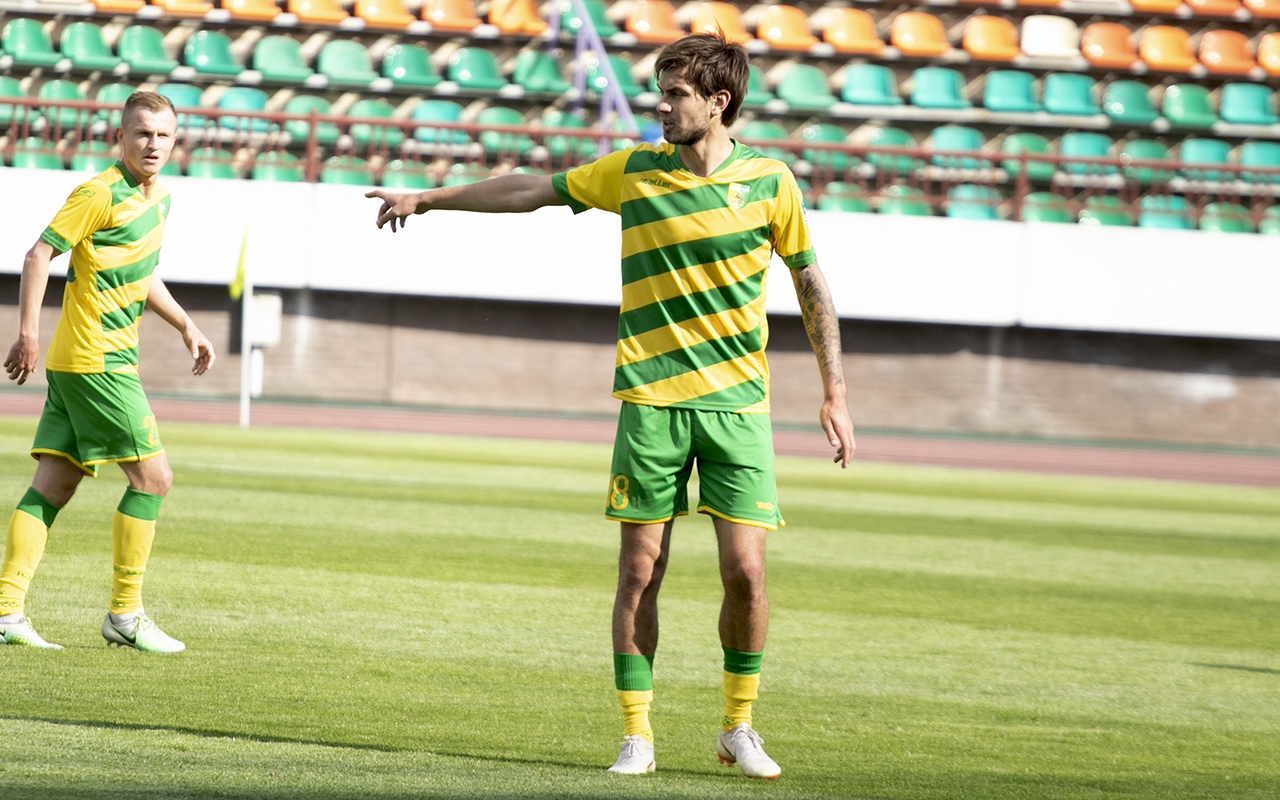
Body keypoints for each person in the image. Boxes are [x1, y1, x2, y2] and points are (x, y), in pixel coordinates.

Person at [365, 32, 854, 779]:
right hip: (650, 402)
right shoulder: (634, 172)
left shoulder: (770, 183)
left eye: (676, 94)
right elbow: (532, 189)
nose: (662, 106)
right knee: (639, 572)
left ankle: (738, 726)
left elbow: (810, 282)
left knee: (747, 574)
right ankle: (637, 734)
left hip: (738, 407)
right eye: (661, 91)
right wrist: (429, 199)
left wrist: (835, 390)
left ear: (718, 102)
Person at [0, 91, 215, 653]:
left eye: (163, 135)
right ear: (121, 137)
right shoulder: (98, 192)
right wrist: (27, 333)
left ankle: (5, 612)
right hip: (97, 361)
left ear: (175, 141)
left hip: (83, 361)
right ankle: (125, 613)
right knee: (154, 479)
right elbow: (38, 255)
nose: (153, 144)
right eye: (142, 133)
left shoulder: (160, 198)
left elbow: (141, 274)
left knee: (54, 484)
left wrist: (186, 324)